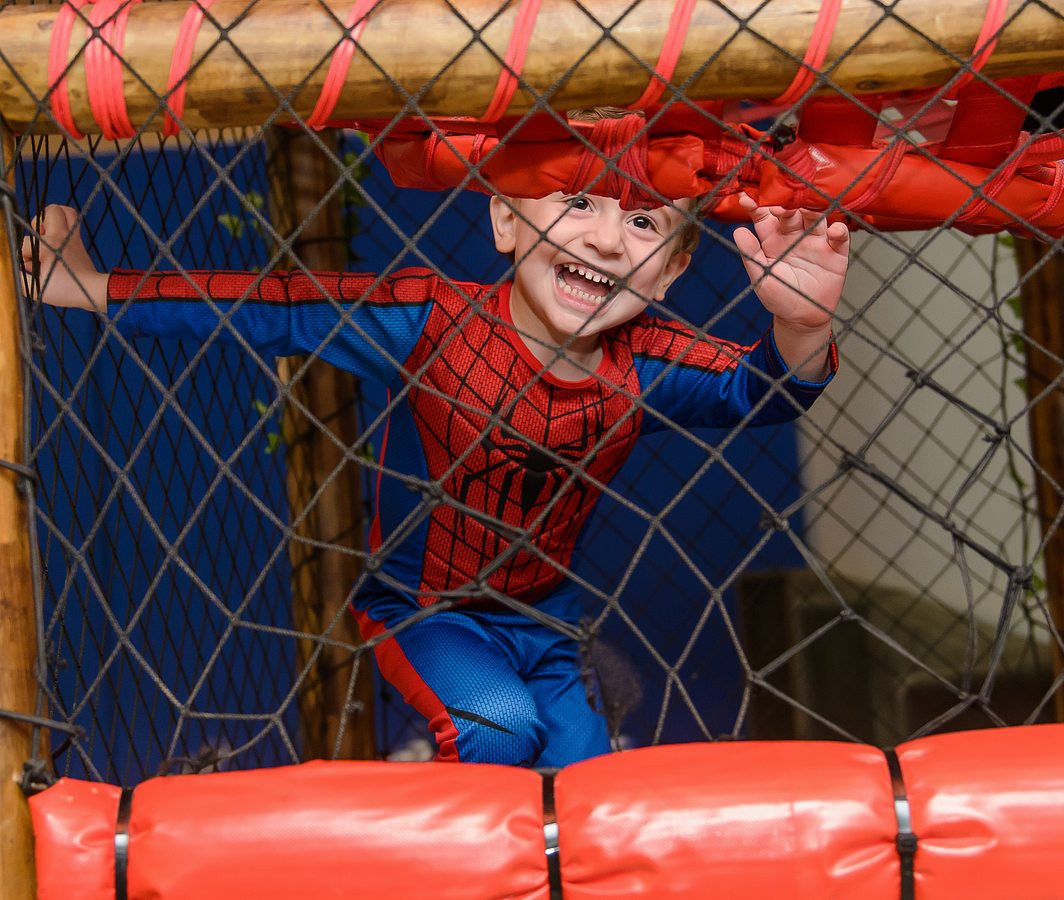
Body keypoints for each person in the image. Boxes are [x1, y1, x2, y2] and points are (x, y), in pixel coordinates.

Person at [24, 149, 849, 768]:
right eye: (578, 202)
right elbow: (274, 307)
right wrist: (91, 285)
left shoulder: (647, 363)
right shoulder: (432, 323)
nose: (605, 239)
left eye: (642, 223)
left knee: (590, 780)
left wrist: (802, 323)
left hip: (546, 621)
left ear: (669, 272)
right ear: (505, 222)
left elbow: (764, 390)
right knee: (499, 727)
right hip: (420, 608)